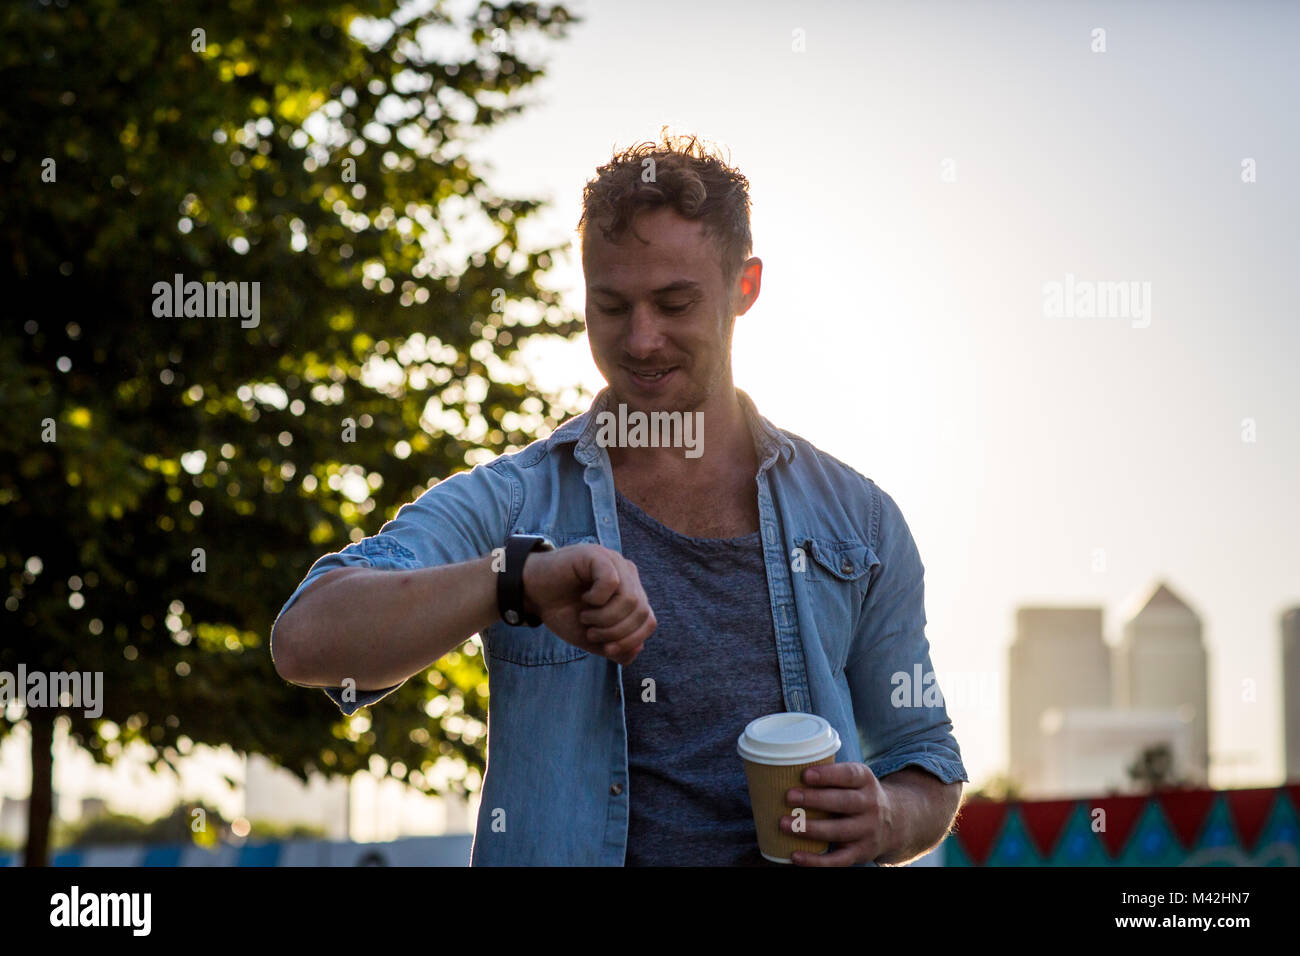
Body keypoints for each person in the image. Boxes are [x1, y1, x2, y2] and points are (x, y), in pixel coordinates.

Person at [271, 132, 968, 866]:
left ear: (746, 287)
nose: (640, 340)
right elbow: (307, 640)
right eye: (611, 305)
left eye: (674, 303)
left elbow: (926, 757)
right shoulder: (514, 503)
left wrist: (887, 817)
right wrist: (517, 581)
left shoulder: (860, 523)